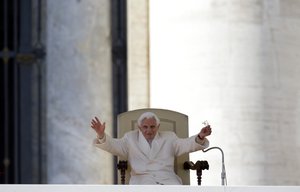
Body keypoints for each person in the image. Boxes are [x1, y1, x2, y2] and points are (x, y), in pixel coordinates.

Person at [91, 112, 212, 185]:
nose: (149, 130)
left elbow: (186, 144)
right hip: (142, 181)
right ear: (139, 126)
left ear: (158, 126)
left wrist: (200, 136)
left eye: (152, 127)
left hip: (168, 181)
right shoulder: (130, 138)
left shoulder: (169, 137)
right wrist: (101, 135)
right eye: (145, 127)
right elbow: (113, 146)